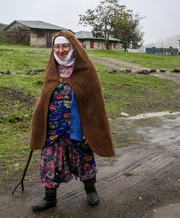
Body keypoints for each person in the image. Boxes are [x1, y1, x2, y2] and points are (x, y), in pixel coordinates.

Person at [29, 30, 116, 211]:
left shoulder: (86, 70)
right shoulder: (52, 69)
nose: (61, 50)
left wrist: (90, 127)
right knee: (49, 161)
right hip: (54, 128)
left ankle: (91, 190)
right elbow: (44, 98)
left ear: (73, 47)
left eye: (65, 46)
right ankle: (49, 198)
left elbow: (94, 102)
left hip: (79, 127)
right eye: (57, 47)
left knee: (84, 159)